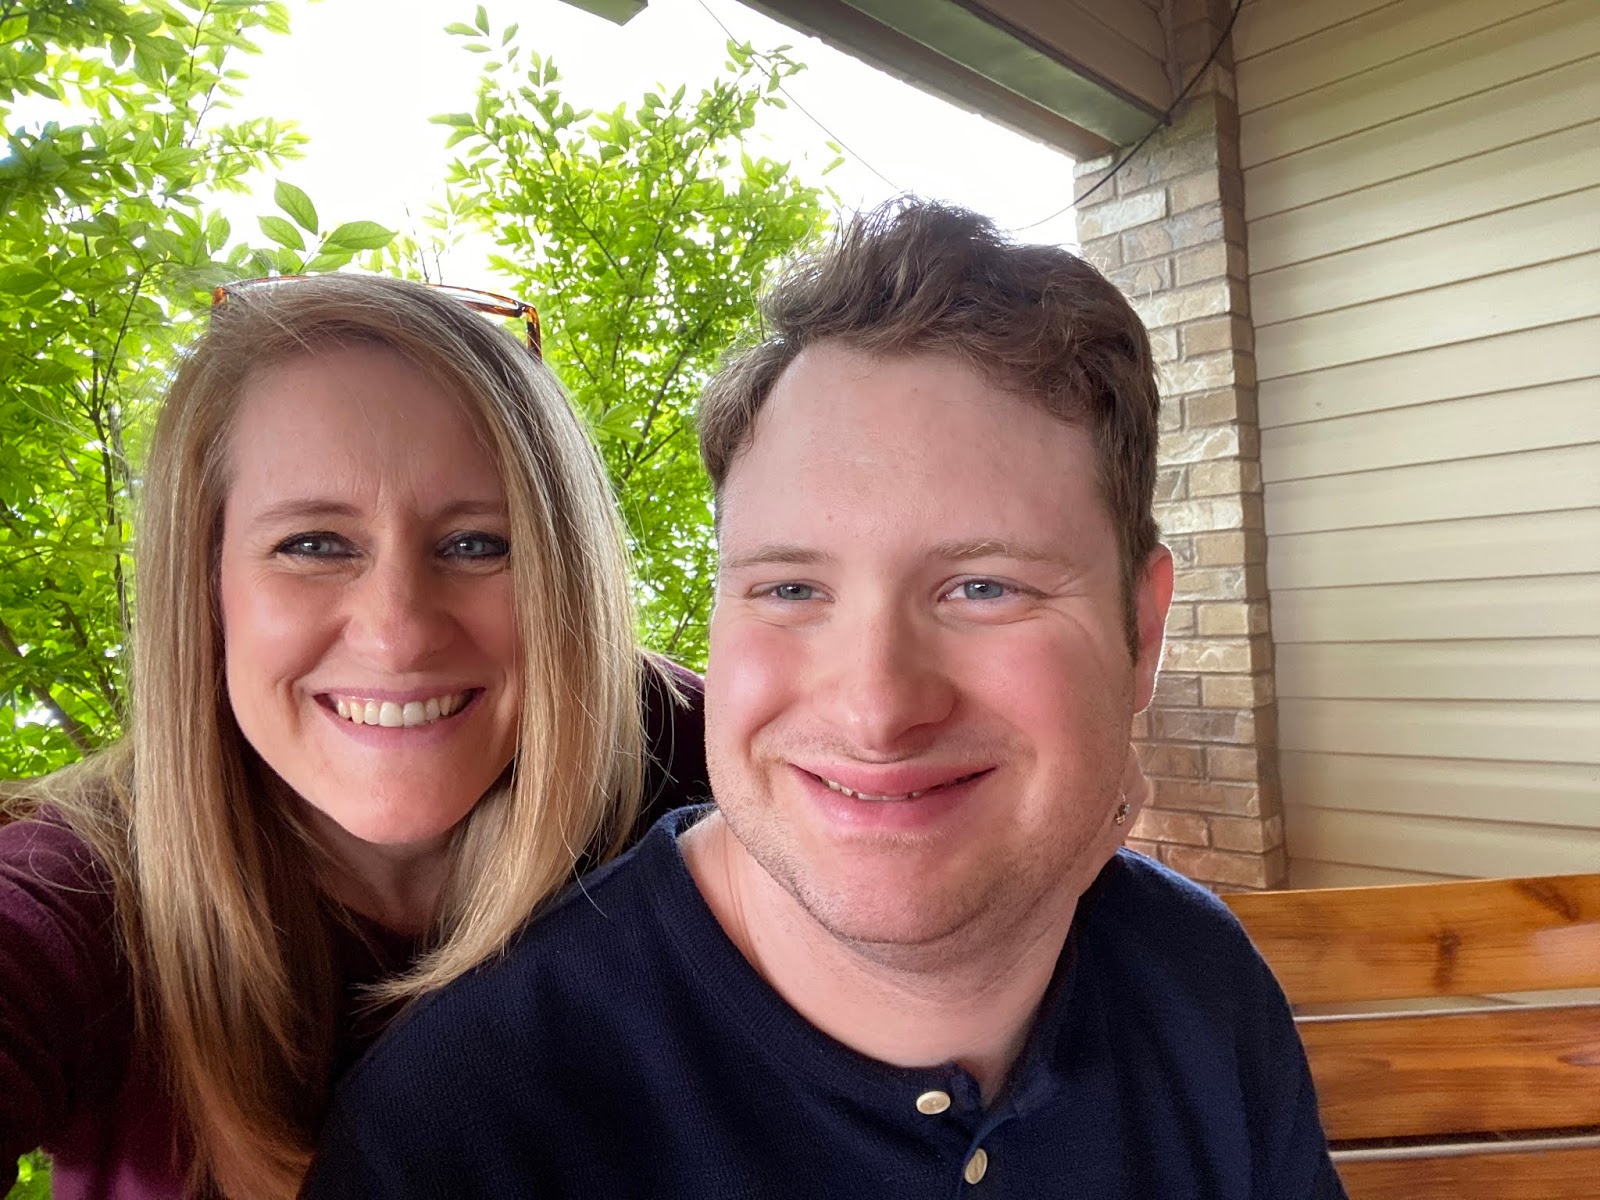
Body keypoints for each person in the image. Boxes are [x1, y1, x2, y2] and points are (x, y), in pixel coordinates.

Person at [305, 199, 1347, 1198]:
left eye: (983, 588)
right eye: (792, 590)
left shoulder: (1198, 983)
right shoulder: (459, 1137)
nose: (876, 709)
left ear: (1143, 632)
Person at [0, 274, 709, 1200]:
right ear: (205, 587)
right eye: (314, 544)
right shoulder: (74, 889)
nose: (398, 632)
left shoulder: (707, 758)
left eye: (478, 544)